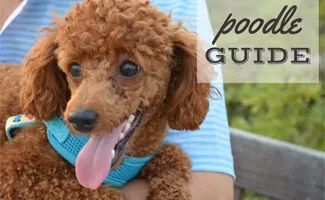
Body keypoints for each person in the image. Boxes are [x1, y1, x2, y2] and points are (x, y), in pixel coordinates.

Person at [0, 0, 235, 199]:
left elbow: (213, 185)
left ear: (175, 72)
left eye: (129, 69)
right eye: (76, 71)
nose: (82, 106)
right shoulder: (47, 137)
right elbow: (9, 181)